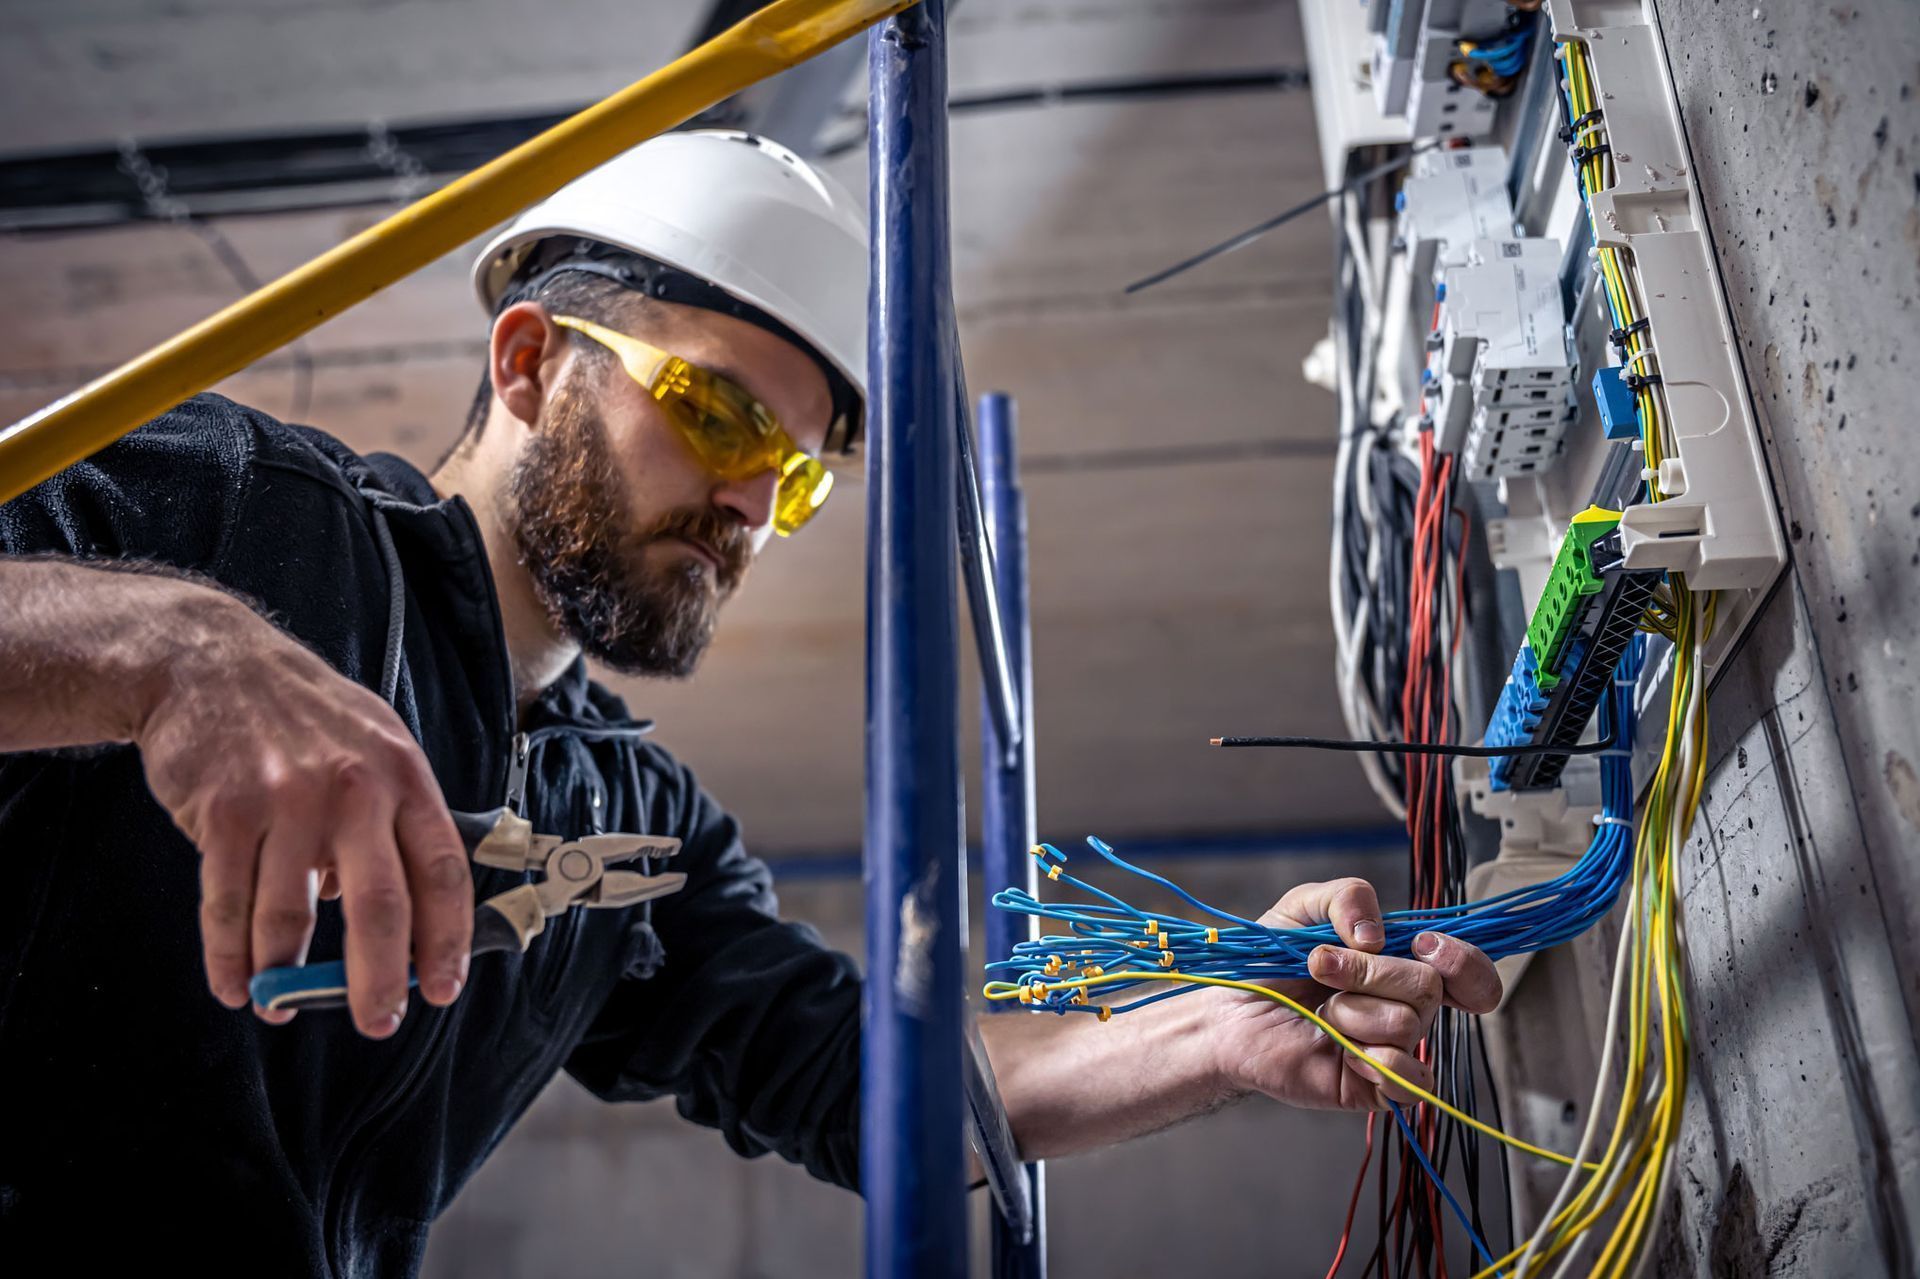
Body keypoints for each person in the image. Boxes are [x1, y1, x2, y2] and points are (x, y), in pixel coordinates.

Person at [0, 131, 1500, 1272]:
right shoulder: (241, 514)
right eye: (717, 412)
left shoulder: (636, 833)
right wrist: (166, 647)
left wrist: (1218, 1028)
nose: (746, 503)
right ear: (530, 365)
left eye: (789, 475)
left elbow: (870, 1082)